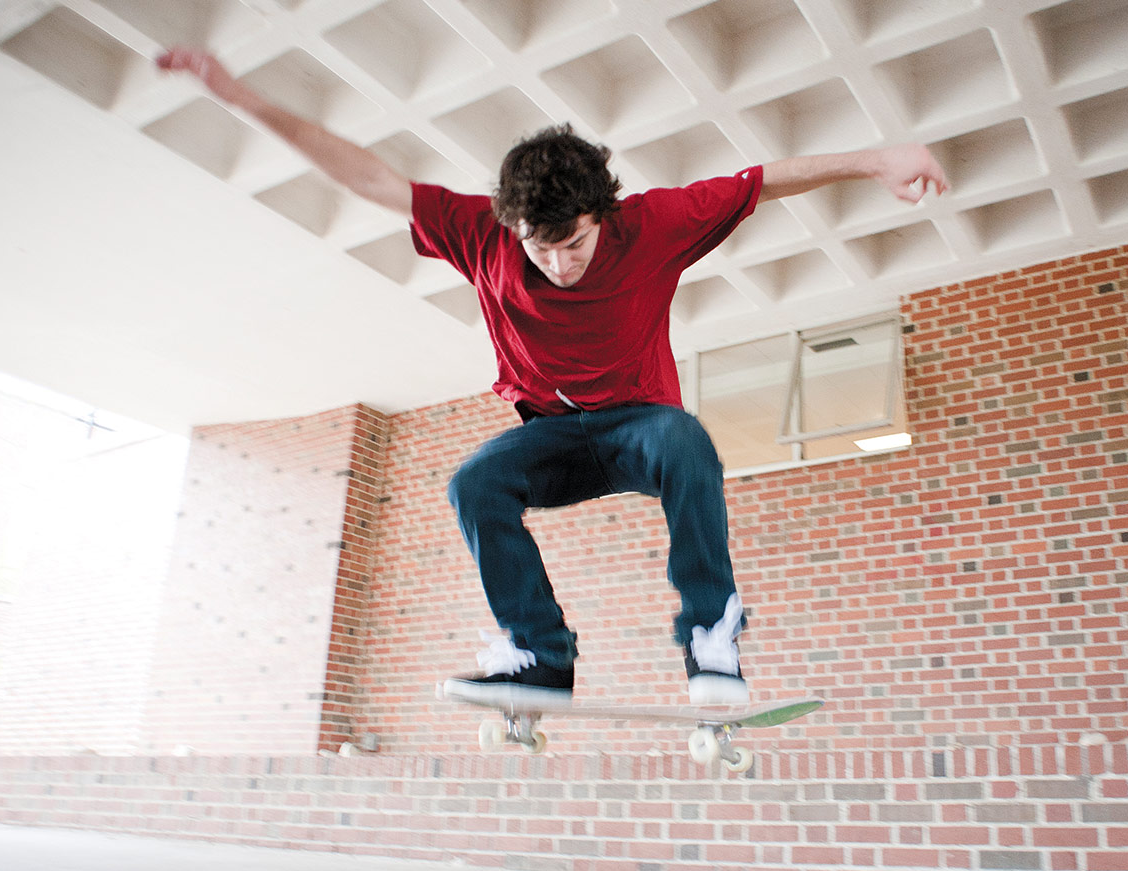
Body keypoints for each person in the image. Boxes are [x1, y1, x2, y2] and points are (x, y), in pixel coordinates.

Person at [157, 46, 949, 709]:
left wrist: (879, 159)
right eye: (541, 247)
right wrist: (238, 96)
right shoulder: (478, 233)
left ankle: (712, 637)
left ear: (603, 215)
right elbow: (364, 177)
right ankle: (542, 656)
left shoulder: (654, 223)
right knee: (475, 483)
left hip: (640, 427)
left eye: (574, 244)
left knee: (687, 441)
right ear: (513, 226)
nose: (559, 263)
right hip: (554, 439)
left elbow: (762, 178)